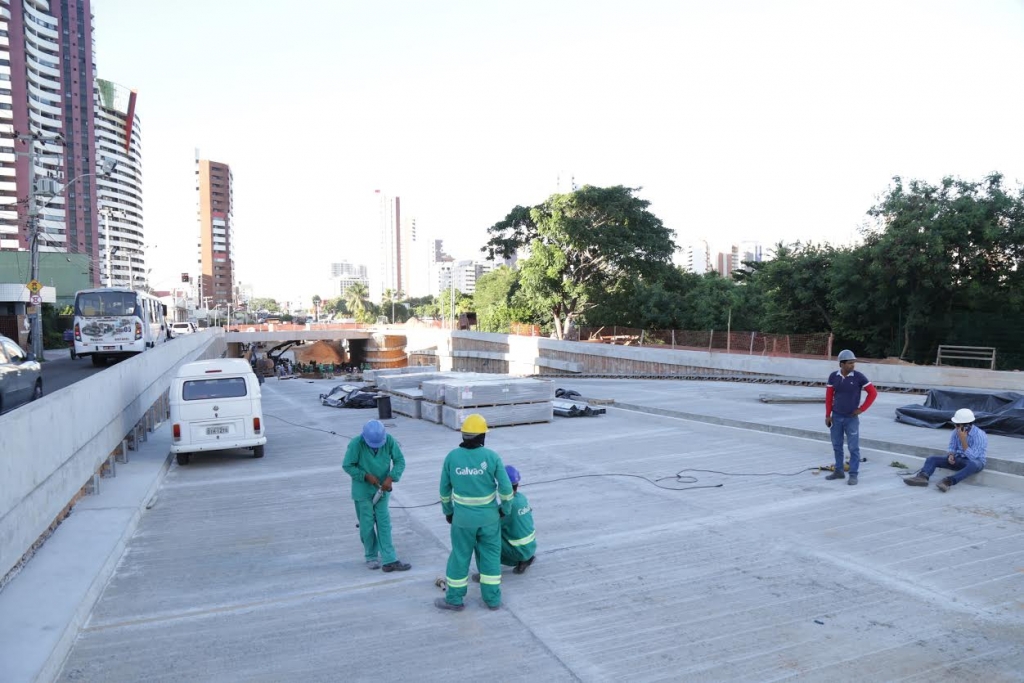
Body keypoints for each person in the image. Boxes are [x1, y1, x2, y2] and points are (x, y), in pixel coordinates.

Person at [436, 414, 514, 612]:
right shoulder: (492, 457)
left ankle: (454, 599)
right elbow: (506, 488)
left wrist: (448, 511)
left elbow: (444, 490)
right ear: (482, 436)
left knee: (460, 557)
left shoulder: (452, 457)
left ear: (463, 435)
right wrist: (505, 509)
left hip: (462, 520)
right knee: (490, 558)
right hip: (489, 519)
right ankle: (492, 600)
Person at [342, 420, 411, 572]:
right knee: (366, 525)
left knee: (384, 523)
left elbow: (400, 461)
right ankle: (371, 556)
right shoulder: (356, 444)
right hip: (362, 490)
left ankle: (389, 559)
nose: (376, 447)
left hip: (382, 488)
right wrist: (364, 476)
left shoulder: (389, 441)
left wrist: (391, 477)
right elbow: (347, 465)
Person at [473, 465, 536, 580]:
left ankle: (487, 574)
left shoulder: (508, 507)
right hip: (530, 548)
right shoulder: (521, 498)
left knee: (480, 537)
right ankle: (525, 559)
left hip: (519, 551)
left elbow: (489, 525)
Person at [824, 349, 877, 486]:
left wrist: (862, 409)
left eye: (853, 363)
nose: (853, 365)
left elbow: (873, 393)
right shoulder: (833, 377)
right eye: (849, 363)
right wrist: (828, 415)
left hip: (851, 418)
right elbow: (829, 397)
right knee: (837, 446)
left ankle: (853, 474)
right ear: (841, 364)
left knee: (853, 448)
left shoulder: (859, 377)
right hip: (836, 417)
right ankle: (839, 471)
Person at [904, 408, 987, 492]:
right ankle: (922, 477)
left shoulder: (979, 435)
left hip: (973, 461)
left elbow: (973, 457)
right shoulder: (956, 431)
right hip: (958, 458)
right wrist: (951, 455)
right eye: (955, 424)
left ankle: (948, 482)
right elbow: (952, 446)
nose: (956, 427)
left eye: (958, 425)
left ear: (967, 426)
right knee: (932, 459)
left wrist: (963, 440)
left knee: (973, 465)